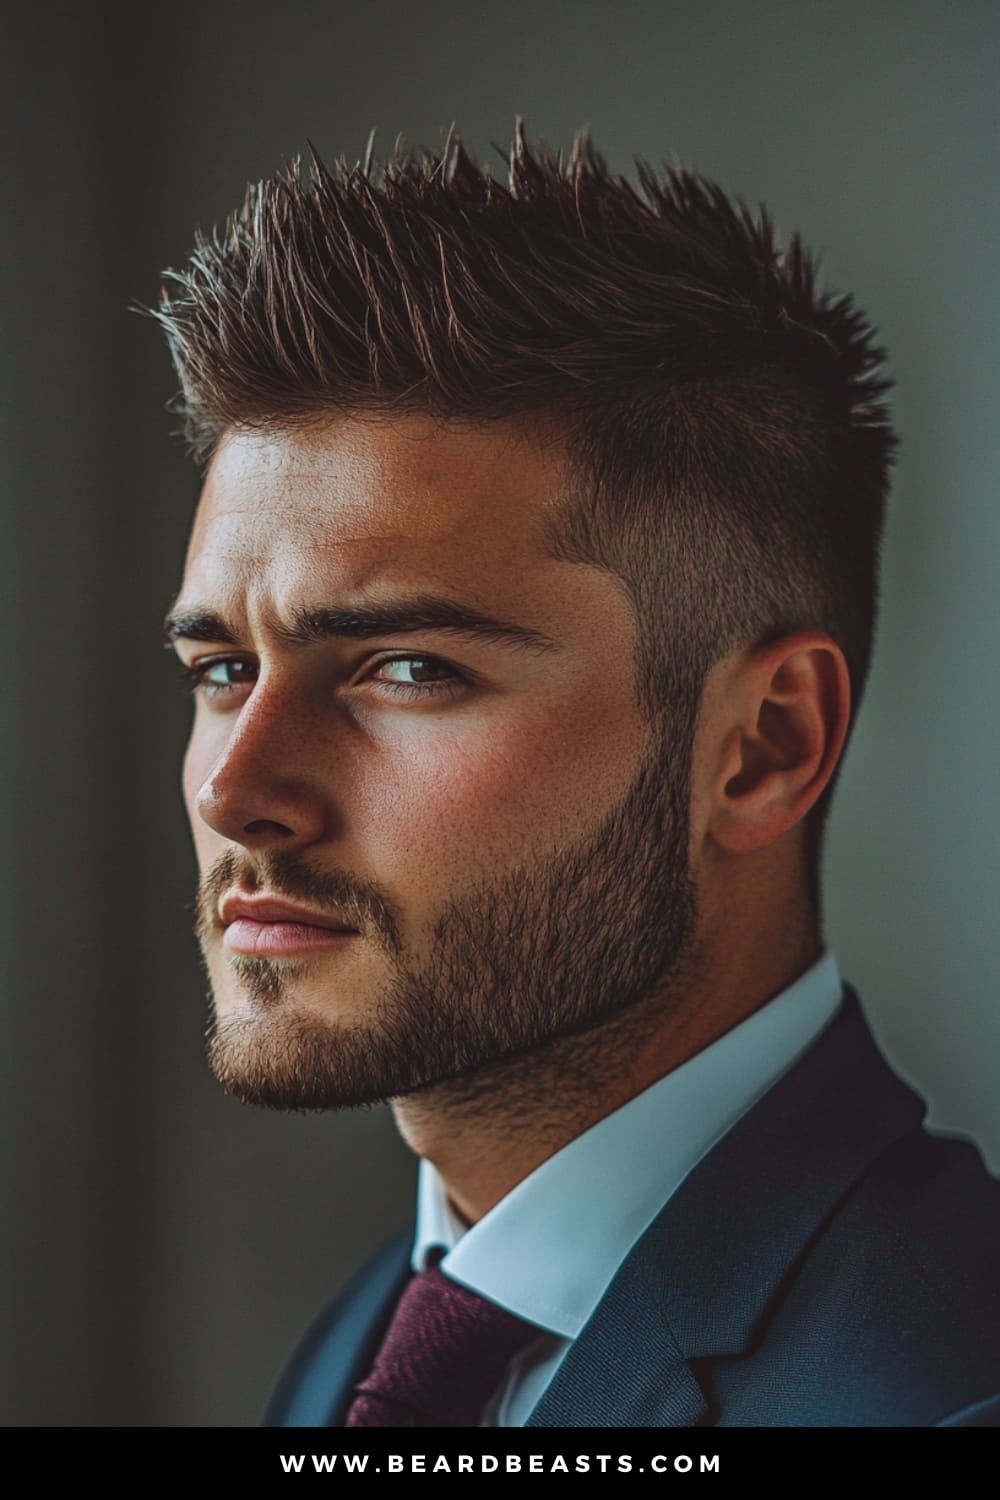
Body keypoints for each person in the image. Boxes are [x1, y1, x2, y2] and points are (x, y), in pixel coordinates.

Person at [150, 122, 1000, 1427]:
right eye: (222, 670)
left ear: (762, 746)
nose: (235, 791)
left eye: (406, 669)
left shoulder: (946, 1388)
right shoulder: (368, 1348)